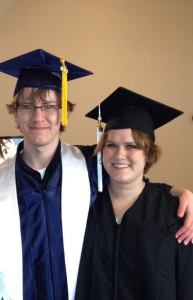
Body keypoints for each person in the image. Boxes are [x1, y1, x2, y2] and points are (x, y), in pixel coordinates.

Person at [0, 50, 192, 300]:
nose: (38, 115)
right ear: (16, 113)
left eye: (50, 106)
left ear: (64, 112)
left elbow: (132, 184)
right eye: (28, 105)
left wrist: (180, 194)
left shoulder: (89, 166)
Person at [75, 87, 193, 300]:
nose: (120, 155)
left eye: (131, 146)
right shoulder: (84, 206)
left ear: (148, 154)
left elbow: (186, 285)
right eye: (111, 145)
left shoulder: (174, 214)